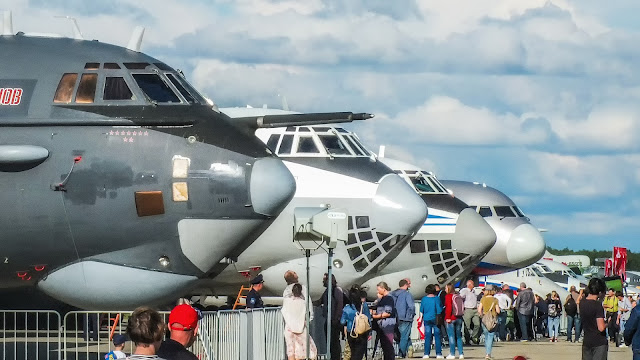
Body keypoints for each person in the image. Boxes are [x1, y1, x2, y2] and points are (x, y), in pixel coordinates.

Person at [282, 283, 318, 360]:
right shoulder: (303, 302)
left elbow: (284, 311)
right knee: (305, 350)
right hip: (301, 328)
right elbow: (307, 314)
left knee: (291, 350)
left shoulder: (287, 301)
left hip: (289, 329)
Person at [341, 285, 372, 360]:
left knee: (353, 352)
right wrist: (370, 332)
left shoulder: (346, 308)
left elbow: (342, 321)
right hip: (362, 332)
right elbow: (368, 319)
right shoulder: (363, 306)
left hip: (350, 332)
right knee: (359, 354)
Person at [580, 278, 607, 360]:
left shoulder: (582, 303)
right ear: (600, 292)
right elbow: (601, 327)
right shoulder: (597, 306)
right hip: (598, 342)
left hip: (587, 341)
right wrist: (607, 323)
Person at [319, 273, 345, 360]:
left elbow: (339, 304)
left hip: (334, 321)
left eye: (324, 279)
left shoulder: (336, 291)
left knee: (334, 342)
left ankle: (336, 358)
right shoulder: (327, 291)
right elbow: (320, 301)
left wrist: (336, 318)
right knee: (330, 342)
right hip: (328, 319)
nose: (323, 281)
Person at [390, 278, 415, 358]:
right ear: (405, 285)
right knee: (404, 336)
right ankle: (402, 353)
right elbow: (411, 306)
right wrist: (411, 315)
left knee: (399, 336)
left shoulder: (392, 294)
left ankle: (409, 347)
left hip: (395, 317)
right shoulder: (407, 294)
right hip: (406, 317)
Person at [371, 282, 396, 360]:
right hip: (382, 325)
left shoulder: (388, 298)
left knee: (388, 347)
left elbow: (388, 312)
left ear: (383, 289)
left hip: (387, 324)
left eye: (379, 290)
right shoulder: (383, 298)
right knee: (385, 347)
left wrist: (376, 316)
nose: (377, 292)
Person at [419, 284, 443, 359]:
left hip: (426, 319)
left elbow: (421, 310)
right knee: (437, 336)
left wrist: (420, 318)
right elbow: (439, 309)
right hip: (436, 319)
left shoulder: (424, 299)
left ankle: (426, 353)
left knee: (427, 336)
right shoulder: (437, 298)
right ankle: (438, 353)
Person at [478, 285, 500, 360]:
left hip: (484, 319)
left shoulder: (483, 299)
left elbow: (479, 309)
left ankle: (487, 352)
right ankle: (488, 353)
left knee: (486, 336)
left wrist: (482, 315)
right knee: (491, 336)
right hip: (492, 320)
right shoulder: (495, 300)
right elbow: (498, 311)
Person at [444, 283, 464, 360]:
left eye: (446, 288)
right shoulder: (458, 296)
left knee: (451, 336)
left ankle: (452, 353)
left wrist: (448, 317)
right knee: (459, 336)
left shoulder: (448, 296)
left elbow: (449, 307)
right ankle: (461, 354)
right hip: (459, 317)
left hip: (451, 318)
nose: (445, 290)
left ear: (449, 288)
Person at [459, 280, 480, 345]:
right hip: (468, 309)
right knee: (467, 326)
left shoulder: (474, 291)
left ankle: (473, 337)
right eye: (473, 284)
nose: (474, 285)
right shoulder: (464, 290)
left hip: (475, 309)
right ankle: (467, 339)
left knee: (477, 324)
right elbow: (460, 297)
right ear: (469, 285)